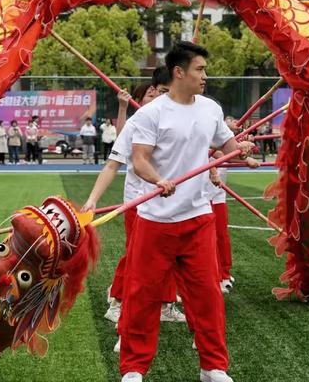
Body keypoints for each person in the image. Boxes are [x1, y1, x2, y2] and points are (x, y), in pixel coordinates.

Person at [119, 41, 257, 382]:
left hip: (198, 219)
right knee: (142, 297)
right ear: (179, 72)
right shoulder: (151, 113)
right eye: (199, 69)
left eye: (205, 70)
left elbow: (226, 146)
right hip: (155, 221)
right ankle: (134, 369)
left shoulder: (210, 109)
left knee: (207, 297)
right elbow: (139, 161)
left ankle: (213, 367)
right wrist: (159, 180)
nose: (205, 76)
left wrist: (242, 151)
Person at [82, 68, 182, 338]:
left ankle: (165, 303)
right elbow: (113, 164)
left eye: (162, 93)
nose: (160, 97)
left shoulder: (182, 119)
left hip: (173, 205)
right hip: (140, 203)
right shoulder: (139, 123)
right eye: (155, 93)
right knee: (137, 256)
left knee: (171, 256)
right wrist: (92, 199)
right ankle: (118, 299)